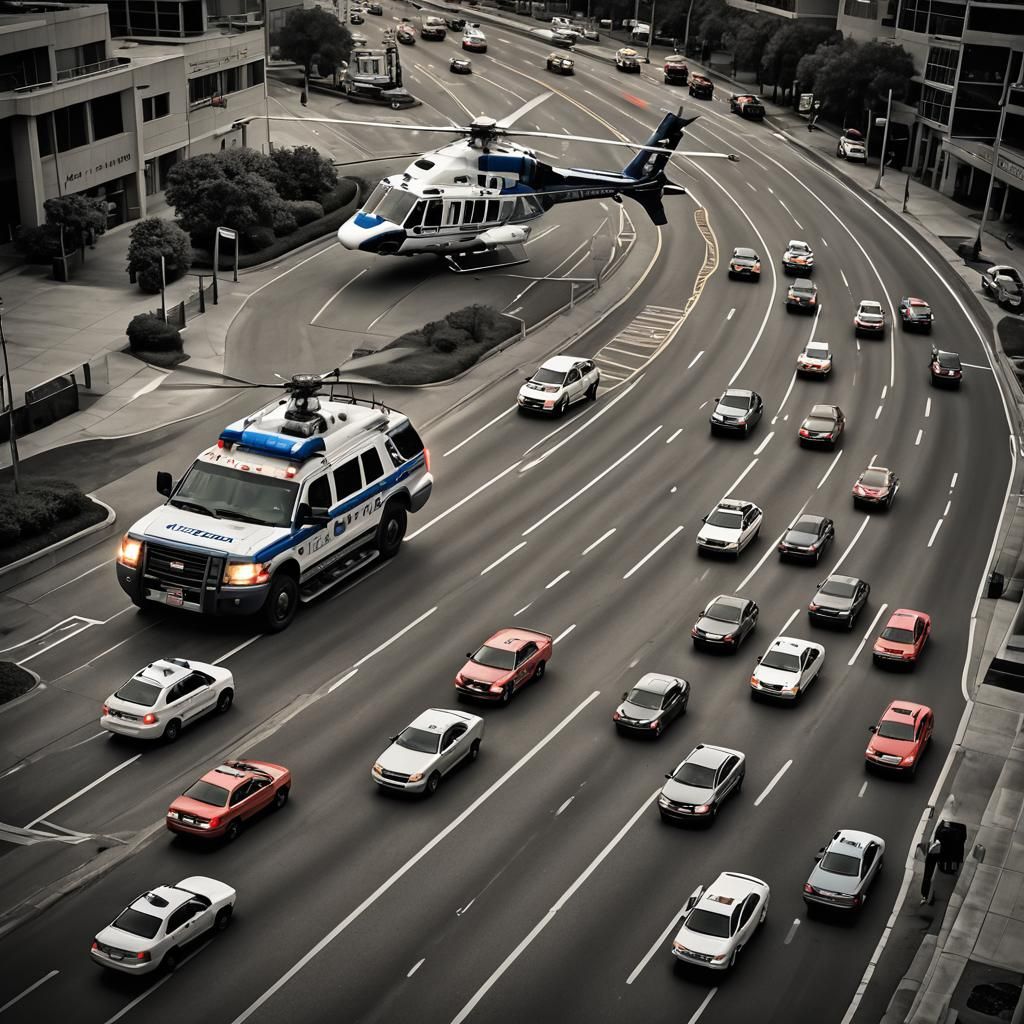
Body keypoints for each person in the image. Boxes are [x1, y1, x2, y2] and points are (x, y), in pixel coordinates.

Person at [920, 838, 941, 904]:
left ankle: (925, 896)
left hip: (930, 861)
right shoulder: (938, 849)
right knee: (931, 878)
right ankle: (929, 896)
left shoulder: (931, 848)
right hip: (934, 862)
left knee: (927, 877)